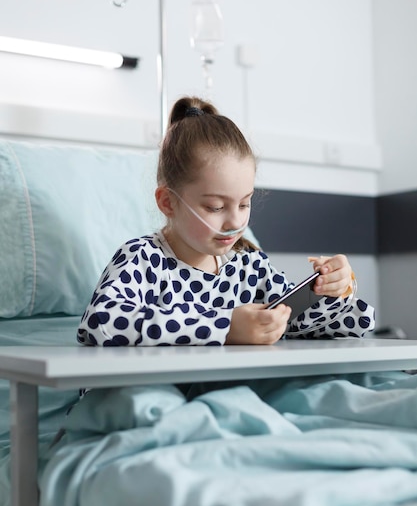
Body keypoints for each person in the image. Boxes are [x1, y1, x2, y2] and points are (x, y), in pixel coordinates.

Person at [77, 96, 375, 347]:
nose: (235, 220)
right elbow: (101, 323)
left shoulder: (250, 267)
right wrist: (226, 328)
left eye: (244, 203)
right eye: (215, 206)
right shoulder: (143, 261)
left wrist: (333, 288)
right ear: (168, 202)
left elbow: (303, 326)